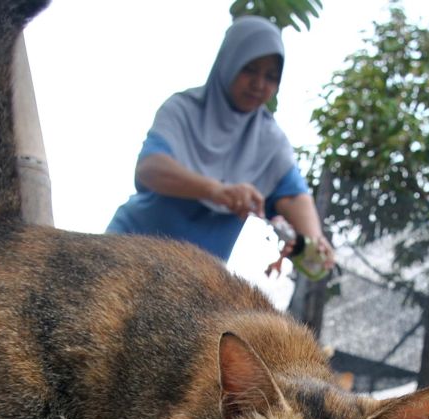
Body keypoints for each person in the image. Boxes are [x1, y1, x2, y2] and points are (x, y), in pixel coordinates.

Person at [107, 15, 334, 271]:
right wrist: (215, 190)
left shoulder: (271, 142)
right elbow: (150, 168)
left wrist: (315, 241)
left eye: (271, 76)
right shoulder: (182, 109)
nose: (259, 84)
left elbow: (294, 196)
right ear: (229, 62)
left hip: (194, 283)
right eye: (249, 69)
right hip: (126, 253)